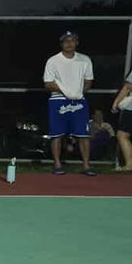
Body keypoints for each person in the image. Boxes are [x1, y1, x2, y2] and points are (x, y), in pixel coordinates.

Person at [45, 31, 95, 176]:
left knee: (83, 134)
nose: (69, 43)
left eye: (72, 41)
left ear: (77, 43)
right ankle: (57, 164)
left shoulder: (85, 60)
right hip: (58, 101)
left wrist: (79, 93)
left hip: (79, 102)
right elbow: (48, 83)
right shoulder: (53, 61)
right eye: (66, 41)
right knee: (57, 134)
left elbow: (88, 80)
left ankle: (86, 165)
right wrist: (64, 91)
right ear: (61, 44)